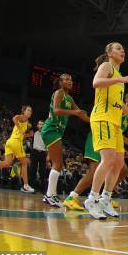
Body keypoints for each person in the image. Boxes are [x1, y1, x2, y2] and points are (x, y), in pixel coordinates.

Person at [84, 42, 128, 220]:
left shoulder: (118, 75)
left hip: (115, 123)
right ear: (109, 53)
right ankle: (92, 199)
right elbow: (96, 82)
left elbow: (118, 104)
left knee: (118, 163)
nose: (123, 51)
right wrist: (121, 79)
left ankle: (105, 199)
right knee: (108, 160)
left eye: (123, 49)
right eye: (119, 48)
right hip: (102, 118)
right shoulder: (107, 66)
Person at [63, 92, 128, 211]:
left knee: (123, 170)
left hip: (109, 139)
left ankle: (105, 197)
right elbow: (107, 125)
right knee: (94, 171)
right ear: (125, 99)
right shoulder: (118, 107)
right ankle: (72, 197)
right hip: (97, 136)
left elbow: (116, 131)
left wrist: (121, 147)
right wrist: (125, 140)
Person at [41, 74, 91, 207]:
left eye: (71, 79)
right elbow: (56, 110)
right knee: (58, 163)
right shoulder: (59, 92)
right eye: (67, 79)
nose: (70, 81)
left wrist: (94, 122)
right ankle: (49, 195)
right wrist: (74, 113)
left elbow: (80, 113)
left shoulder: (69, 98)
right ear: (60, 82)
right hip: (51, 129)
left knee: (58, 164)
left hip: (56, 131)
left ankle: (50, 195)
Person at [0, 105, 35, 193]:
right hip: (16, 142)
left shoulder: (26, 122)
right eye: (28, 110)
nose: (30, 112)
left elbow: (22, 135)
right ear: (24, 111)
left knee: (7, 163)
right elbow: (14, 118)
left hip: (10, 142)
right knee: (24, 163)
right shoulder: (22, 117)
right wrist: (20, 129)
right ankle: (26, 186)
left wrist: (28, 135)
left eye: (31, 111)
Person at [29, 120, 47, 193]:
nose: (41, 125)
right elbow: (29, 125)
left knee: (42, 171)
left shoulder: (46, 134)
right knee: (33, 170)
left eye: (42, 124)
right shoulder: (34, 132)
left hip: (43, 153)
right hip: (34, 152)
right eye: (39, 124)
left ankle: (43, 189)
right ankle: (32, 188)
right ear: (37, 125)